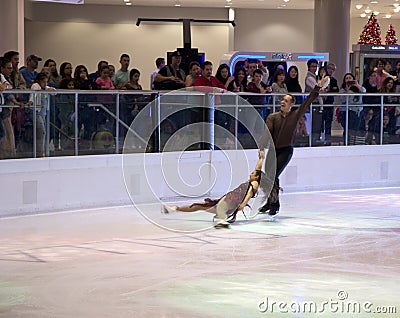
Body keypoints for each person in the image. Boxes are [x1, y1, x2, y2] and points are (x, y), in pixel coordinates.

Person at [258, 75, 330, 217]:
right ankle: (270, 201)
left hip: (286, 150)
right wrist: (261, 149)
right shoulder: (272, 117)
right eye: (282, 100)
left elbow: (308, 101)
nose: (282, 102)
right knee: (269, 176)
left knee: (273, 175)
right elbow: (266, 134)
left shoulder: (295, 115)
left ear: (291, 104)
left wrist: (318, 87)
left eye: (286, 100)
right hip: (273, 151)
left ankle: (274, 204)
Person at [162, 150, 265, 229]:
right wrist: (261, 159)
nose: (250, 174)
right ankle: (174, 208)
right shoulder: (254, 181)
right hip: (228, 201)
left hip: (230, 202)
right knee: (197, 206)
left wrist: (242, 205)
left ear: (256, 177)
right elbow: (257, 170)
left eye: (252, 174)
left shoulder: (254, 183)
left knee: (205, 207)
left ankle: (221, 219)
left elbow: (249, 194)